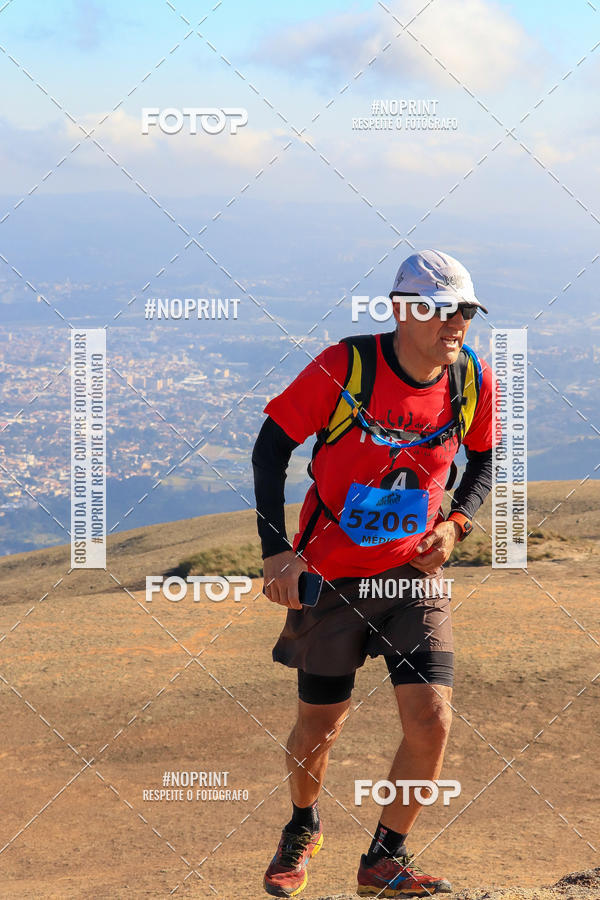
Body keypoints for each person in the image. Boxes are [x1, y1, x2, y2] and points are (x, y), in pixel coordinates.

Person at [252, 249, 495, 897]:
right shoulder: (345, 367)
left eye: (465, 311)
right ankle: (302, 827)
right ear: (400, 310)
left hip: (412, 579)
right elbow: (271, 444)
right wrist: (276, 551)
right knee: (320, 726)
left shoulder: (471, 378)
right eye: (442, 310)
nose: (456, 324)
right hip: (329, 578)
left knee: (432, 721)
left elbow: (484, 460)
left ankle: (385, 858)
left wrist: (455, 525)